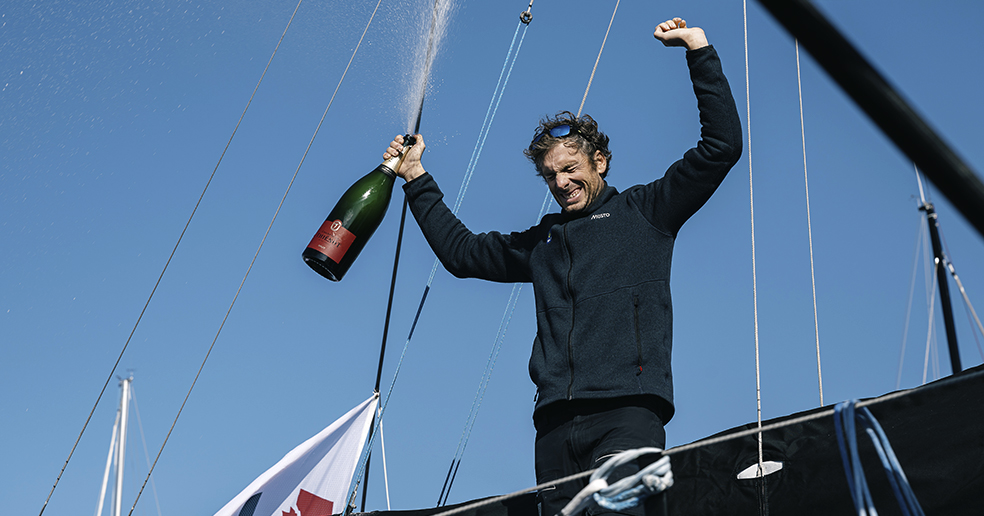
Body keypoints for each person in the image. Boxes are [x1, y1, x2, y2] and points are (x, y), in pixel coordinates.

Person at [384, 17, 741, 516]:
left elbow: (720, 148)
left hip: (627, 413)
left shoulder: (647, 212)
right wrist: (416, 177)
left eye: (571, 169)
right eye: (551, 175)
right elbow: (462, 255)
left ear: (601, 161)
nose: (562, 183)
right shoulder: (543, 242)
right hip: (553, 429)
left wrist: (697, 50)